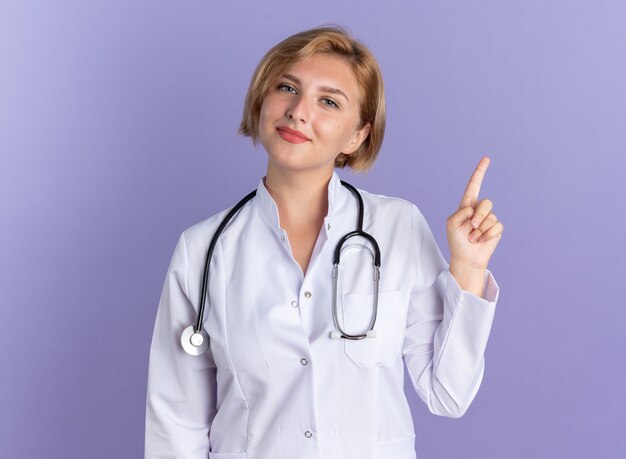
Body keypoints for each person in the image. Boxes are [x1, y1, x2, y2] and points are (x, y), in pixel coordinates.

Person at [145, 26, 502, 459]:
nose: (298, 111)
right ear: (261, 101)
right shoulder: (202, 250)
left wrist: (468, 268)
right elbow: (175, 424)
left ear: (357, 136)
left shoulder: (396, 227)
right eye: (287, 88)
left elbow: (449, 394)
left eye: (328, 101)